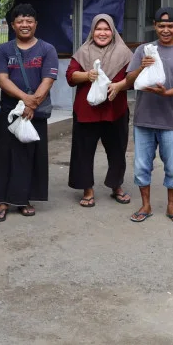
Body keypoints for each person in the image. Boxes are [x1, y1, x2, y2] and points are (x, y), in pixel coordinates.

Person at [125, 7, 173, 223]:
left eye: (170, 26)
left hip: (172, 121)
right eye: (161, 26)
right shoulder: (144, 50)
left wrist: (166, 93)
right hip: (144, 120)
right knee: (141, 166)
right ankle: (145, 205)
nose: (166, 30)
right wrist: (141, 67)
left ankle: (171, 207)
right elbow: (129, 81)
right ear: (155, 26)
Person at [0, 3, 59, 221]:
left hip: (35, 112)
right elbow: (1, 79)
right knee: (4, 156)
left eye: (29, 21)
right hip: (10, 111)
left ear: (36, 24)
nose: (25, 25)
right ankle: (1, 200)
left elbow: (48, 79)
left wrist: (31, 104)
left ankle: (23, 199)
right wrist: (24, 99)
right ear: (13, 25)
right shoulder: (3, 50)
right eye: (20, 21)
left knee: (29, 156)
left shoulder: (47, 49)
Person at [66, 13, 133, 208]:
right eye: (98, 29)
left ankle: (116, 185)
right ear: (92, 31)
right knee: (83, 151)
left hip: (115, 110)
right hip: (87, 112)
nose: (102, 33)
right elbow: (70, 76)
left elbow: (133, 78)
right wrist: (87, 75)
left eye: (106, 29)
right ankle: (87, 189)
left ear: (113, 32)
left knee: (117, 150)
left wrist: (119, 85)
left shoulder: (124, 52)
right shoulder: (83, 51)